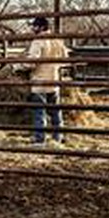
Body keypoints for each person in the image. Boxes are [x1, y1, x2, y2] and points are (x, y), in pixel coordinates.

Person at [22, 17, 69, 145]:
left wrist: (19, 66)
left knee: (39, 111)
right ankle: (57, 137)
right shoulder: (57, 40)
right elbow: (65, 58)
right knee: (55, 111)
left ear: (41, 27)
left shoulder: (38, 41)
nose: (32, 29)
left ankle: (39, 139)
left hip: (39, 82)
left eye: (34, 26)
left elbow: (31, 63)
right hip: (54, 81)